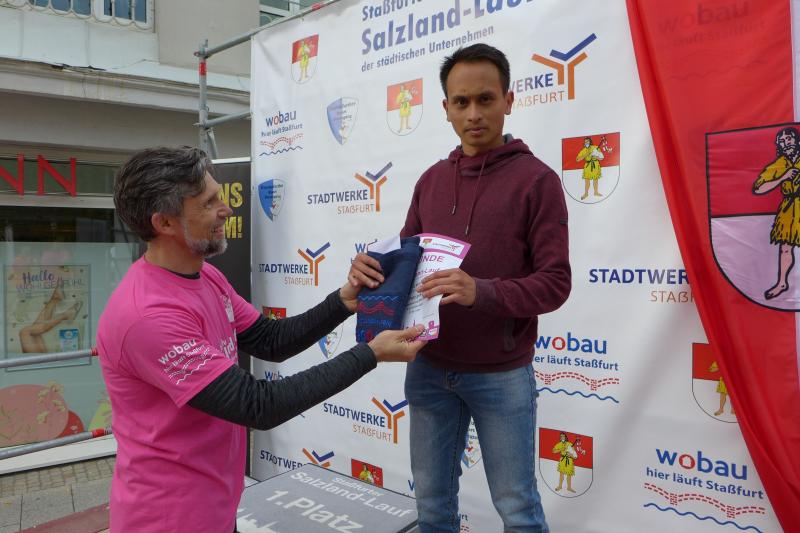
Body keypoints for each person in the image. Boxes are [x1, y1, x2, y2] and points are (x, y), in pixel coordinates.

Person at [96, 146, 426, 533]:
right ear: (165, 223)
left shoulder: (206, 276)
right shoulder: (148, 316)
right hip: (167, 520)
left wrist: (342, 302)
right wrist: (369, 354)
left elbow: (270, 340)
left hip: (214, 509)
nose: (226, 210)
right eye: (209, 203)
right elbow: (258, 405)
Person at [349, 44, 571, 532]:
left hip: (501, 375)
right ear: (445, 108)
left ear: (508, 100)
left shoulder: (538, 181)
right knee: (431, 508)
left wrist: (481, 292)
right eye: (461, 102)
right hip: (428, 369)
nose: (474, 114)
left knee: (518, 509)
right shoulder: (431, 181)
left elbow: (555, 284)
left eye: (485, 99)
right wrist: (371, 270)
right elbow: (406, 264)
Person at [753, 126, 800, 300]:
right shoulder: (780, 164)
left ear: (796, 140)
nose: (785, 143)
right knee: (785, 248)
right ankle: (782, 283)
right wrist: (783, 177)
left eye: (788, 139)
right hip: (789, 208)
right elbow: (758, 188)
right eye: (781, 141)